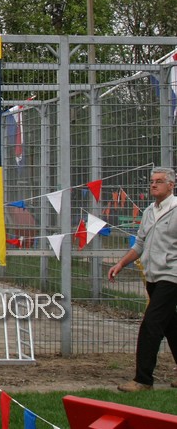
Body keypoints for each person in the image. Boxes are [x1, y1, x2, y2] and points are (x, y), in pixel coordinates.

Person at [109, 167, 177, 392]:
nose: (153, 184)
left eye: (159, 181)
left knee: (151, 324)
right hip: (152, 276)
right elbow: (139, 244)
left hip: (172, 276)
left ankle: (143, 380)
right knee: (170, 325)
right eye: (152, 181)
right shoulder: (149, 211)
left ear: (171, 185)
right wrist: (121, 264)